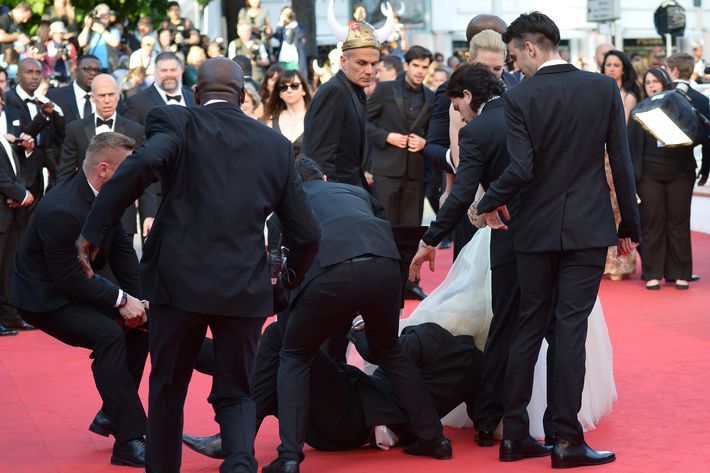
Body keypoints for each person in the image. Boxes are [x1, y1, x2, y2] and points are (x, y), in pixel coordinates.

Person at [76, 57, 321, 473]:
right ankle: (241, 463)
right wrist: (284, 287)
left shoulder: (175, 121)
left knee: (168, 387)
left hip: (178, 286)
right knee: (238, 391)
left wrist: (93, 229)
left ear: (194, 94)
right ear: (243, 96)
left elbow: (144, 163)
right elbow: (307, 235)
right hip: (244, 287)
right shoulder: (274, 145)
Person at [476, 12, 640, 467]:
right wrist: (630, 226)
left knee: (528, 327)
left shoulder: (520, 97)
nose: (513, 67)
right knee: (570, 330)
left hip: (534, 230)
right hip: (587, 229)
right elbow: (621, 165)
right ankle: (565, 440)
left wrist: (485, 202)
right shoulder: (601, 89)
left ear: (532, 48)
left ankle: (514, 437)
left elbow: (521, 170)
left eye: (514, 56)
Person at [263, 157, 451, 473]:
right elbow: (386, 230)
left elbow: (276, 269)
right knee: (390, 352)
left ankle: (289, 458)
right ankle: (435, 439)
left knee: (294, 357)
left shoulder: (284, 207)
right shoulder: (354, 191)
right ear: (323, 177)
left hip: (329, 275)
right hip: (385, 268)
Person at [10, 132, 148, 467]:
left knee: (139, 327)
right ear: (104, 169)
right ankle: (129, 441)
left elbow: (121, 251)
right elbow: (71, 280)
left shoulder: (109, 194)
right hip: (43, 298)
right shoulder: (62, 210)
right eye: (129, 169)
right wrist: (120, 299)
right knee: (110, 335)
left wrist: (141, 301)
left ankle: (112, 412)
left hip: (76, 283)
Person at [409, 62, 518, 447]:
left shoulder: (477, 131)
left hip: (507, 234)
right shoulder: (528, 110)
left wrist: (429, 240)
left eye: (457, 105)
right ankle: (544, 418)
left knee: (503, 327)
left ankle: (489, 419)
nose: (458, 113)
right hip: (553, 234)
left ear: (468, 96)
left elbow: (460, 194)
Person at [184, 320, 483, 459]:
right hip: (339, 428)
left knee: (280, 335)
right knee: (269, 364)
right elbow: (484, 417)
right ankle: (183, 342)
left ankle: (237, 437)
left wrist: (356, 325)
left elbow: (380, 352)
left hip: (352, 411)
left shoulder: (430, 336)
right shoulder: (475, 369)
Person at [422, 15, 517, 259]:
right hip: (470, 193)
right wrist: (458, 166)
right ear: (469, 60)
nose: (492, 78)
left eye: (498, 69)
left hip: (511, 200)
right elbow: (432, 146)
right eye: (484, 69)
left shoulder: (517, 86)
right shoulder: (449, 90)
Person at [629, 66, 704, 290]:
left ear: (665, 83)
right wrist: (635, 178)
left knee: (678, 222)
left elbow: (698, 134)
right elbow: (632, 147)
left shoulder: (681, 106)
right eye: (648, 82)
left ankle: (681, 273)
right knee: (652, 223)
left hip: (680, 173)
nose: (651, 85)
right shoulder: (639, 110)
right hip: (649, 175)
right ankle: (652, 273)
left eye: (655, 81)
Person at [303, 4, 393, 188]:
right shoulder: (334, 92)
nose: (370, 70)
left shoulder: (354, 90)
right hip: (336, 195)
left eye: (374, 64)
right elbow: (318, 156)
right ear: (343, 61)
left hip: (350, 191)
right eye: (361, 63)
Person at [57, 74, 155, 243]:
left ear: (118, 96)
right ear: (93, 98)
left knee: (124, 268)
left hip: (124, 217)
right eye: (102, 96)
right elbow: (65, 175)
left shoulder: (135, 130)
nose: (107, 100)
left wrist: (149, 214)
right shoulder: (75, 129)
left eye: (111, 94)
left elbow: (144, 175)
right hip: (84, 215)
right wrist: (63, 212)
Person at [601, 49, 641, 281]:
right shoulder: (599, 92)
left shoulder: (628, 96)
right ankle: (606, 262)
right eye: (608, 65)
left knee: (620, 210)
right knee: (604, 209)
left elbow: (621, 133)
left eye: (616, 65)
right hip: (600, 158)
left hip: (617, 157)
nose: (612, 69)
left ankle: (621, 263)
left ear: (623, 68)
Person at [0, 96, 35, 336]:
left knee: (9, 268)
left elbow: (16, 170)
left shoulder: (6, 138)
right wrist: (20, 195)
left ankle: (10, 315)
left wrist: (18, 192)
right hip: (4, 211)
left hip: (11, 214)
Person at [124, 51, 195, 126]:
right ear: (155, 72)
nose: (169, 75)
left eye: (173, 70)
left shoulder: (194, 96)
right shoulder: (136, 103)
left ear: (181, 71)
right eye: (164, 70)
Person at [262, 69, 311, 155]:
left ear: (304, 90)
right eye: (283, 87)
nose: (289, 90)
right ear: (280, 94)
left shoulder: (314, 118)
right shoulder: (270, 120)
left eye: (294, 85)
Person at [78, 4, 121, 72]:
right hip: (89, 68)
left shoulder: (113, 30)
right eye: (101, 16)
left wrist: (101, 30)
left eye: (106, 15)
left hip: (107, 69)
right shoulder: (90, 31)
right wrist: (87, 26)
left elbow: (115, 43)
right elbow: (81, 43)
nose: (103, 18)